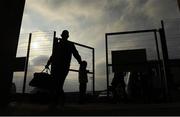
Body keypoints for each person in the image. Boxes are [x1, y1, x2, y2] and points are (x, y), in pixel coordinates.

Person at [45, 30, 82, 108]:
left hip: (58, 67)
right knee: (58, 84)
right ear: (67, 36)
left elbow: (53, 56)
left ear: (62, 36)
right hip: (62, 67)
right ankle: (59, 101)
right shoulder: (69, 44)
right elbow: (76, 54)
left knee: (57, 84)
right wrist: (80, 62)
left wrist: (48, 63)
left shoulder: (59, 44)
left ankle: (57, 101)